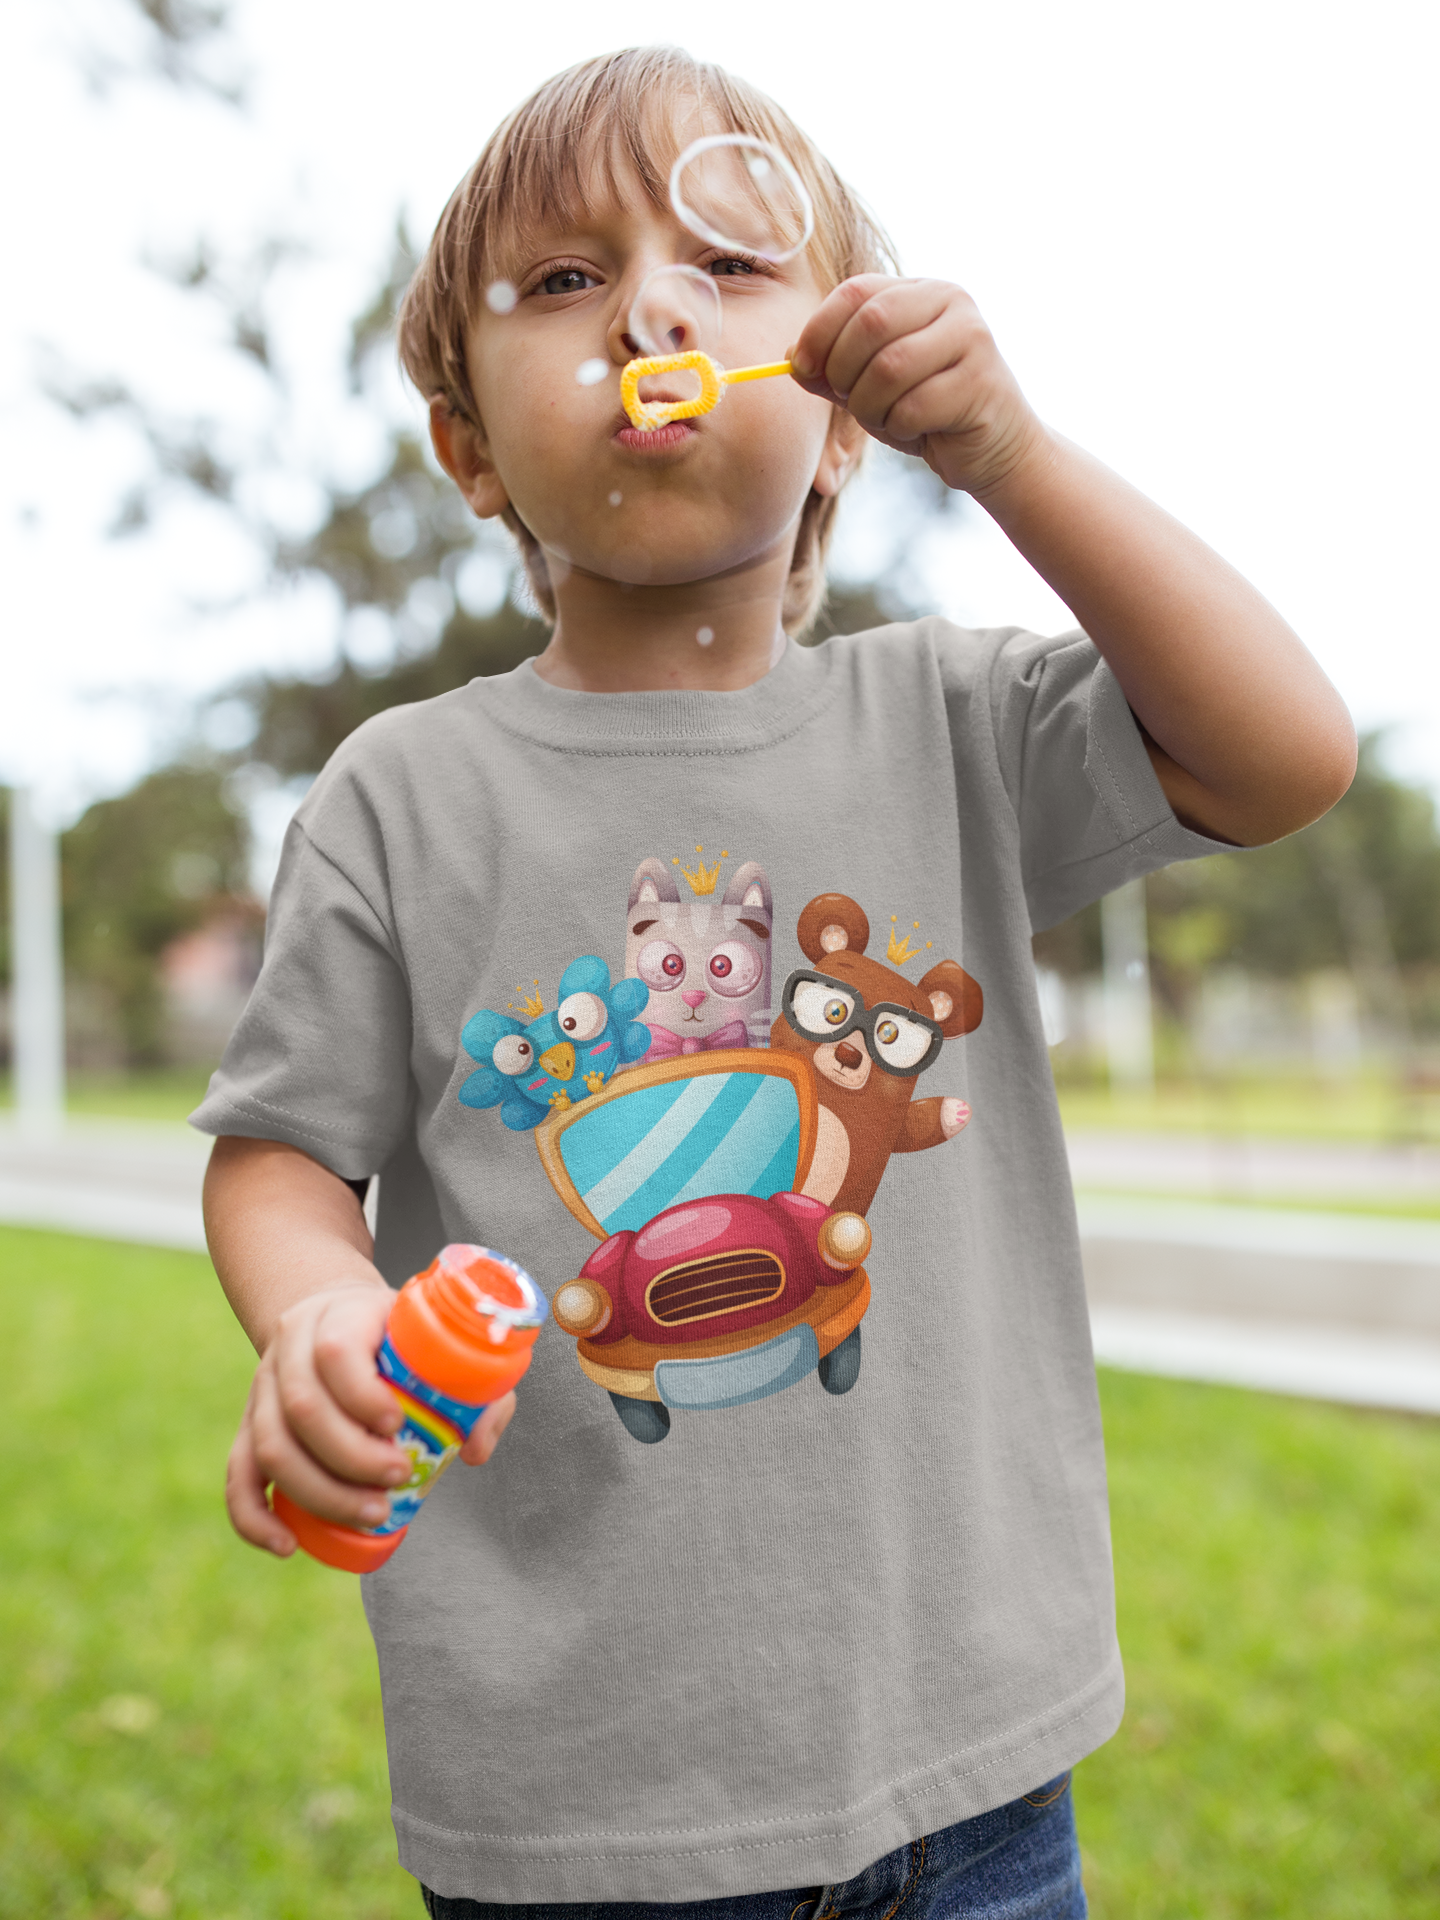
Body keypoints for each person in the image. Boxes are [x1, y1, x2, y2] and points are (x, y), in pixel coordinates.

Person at [195, 46, 1356, 1920]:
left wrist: (1018, 458)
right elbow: (278, 1154)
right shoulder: (400, 798)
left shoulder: (956, 722)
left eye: (728, 266)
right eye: (565, 282)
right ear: (470, 446)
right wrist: (319, 1314)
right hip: (577, 1811)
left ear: (837, 411)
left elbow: (1284, 756)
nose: (651, 304)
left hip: (975, 1775)